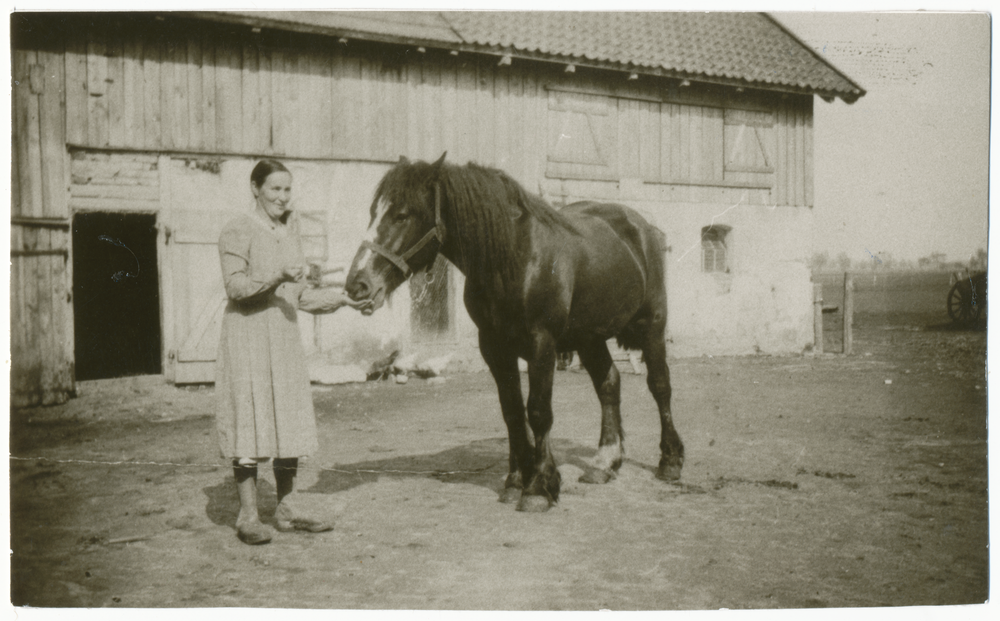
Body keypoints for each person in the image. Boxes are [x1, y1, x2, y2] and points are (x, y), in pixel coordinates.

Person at [215, 159, 369, 545]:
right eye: (274, 190)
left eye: (287, 190)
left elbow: (299, 297)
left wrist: (343, 301)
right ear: (255, 189)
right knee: (250, 418)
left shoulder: (290, 233)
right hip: (248, 336)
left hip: (282, 336)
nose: (283, 198)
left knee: (287, 418)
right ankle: (248, 515)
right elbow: (235, 289)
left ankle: (286, 507)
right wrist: (278, 275)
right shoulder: (237, 230)